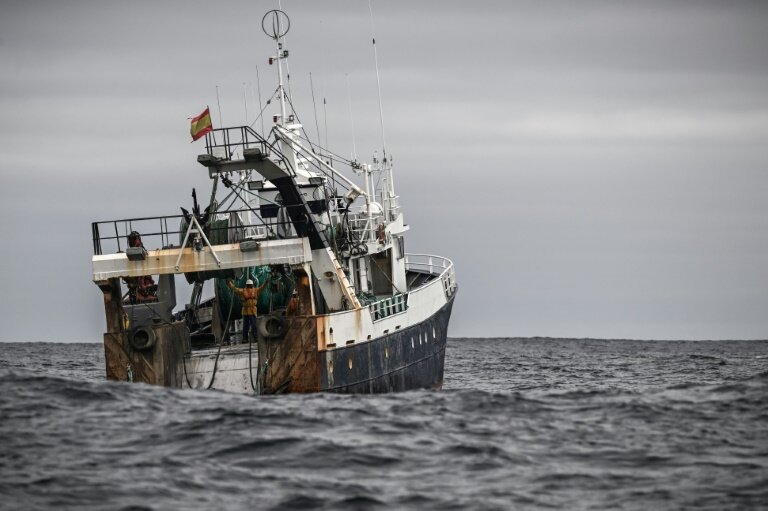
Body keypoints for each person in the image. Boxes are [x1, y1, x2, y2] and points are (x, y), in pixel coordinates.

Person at [227, 277, 269, 343]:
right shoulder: (244, 291)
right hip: (246, 311)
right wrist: (229, 283)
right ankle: (245, 338)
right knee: (246, 326)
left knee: (253, 325)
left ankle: (254, 337)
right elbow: (235, 289)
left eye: (250, 285)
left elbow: (262, 287)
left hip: (252, 311)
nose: (249, 286)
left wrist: (266, 282)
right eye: (249, 285)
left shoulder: (255, 290)